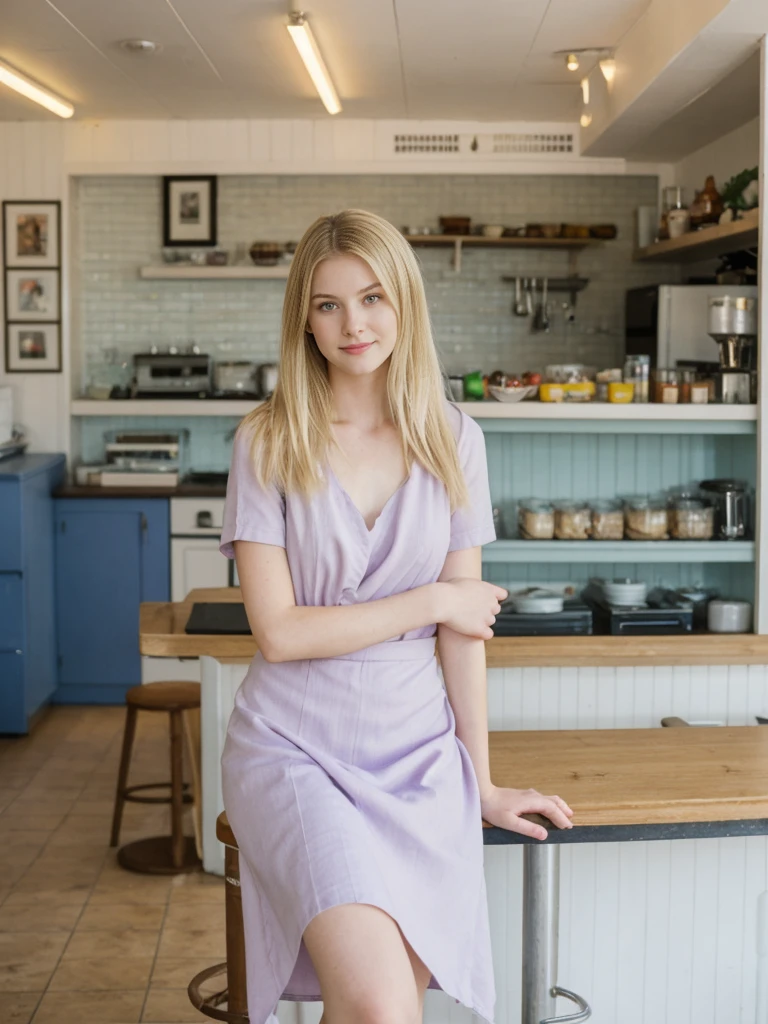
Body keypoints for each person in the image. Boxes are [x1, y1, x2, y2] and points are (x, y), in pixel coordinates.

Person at [219, 208, 574, 1024]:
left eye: (373, 297)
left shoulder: (455, 439)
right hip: (293, 748)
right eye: (328, 304)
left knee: (385, 1004)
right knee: (382, 1004)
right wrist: (431, 599)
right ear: (302, 319)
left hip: (416, 757)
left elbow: (463, 638)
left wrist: (477, 781)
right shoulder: (267, 440)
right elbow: (280, 632)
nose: (354, 324)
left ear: (405, 302)